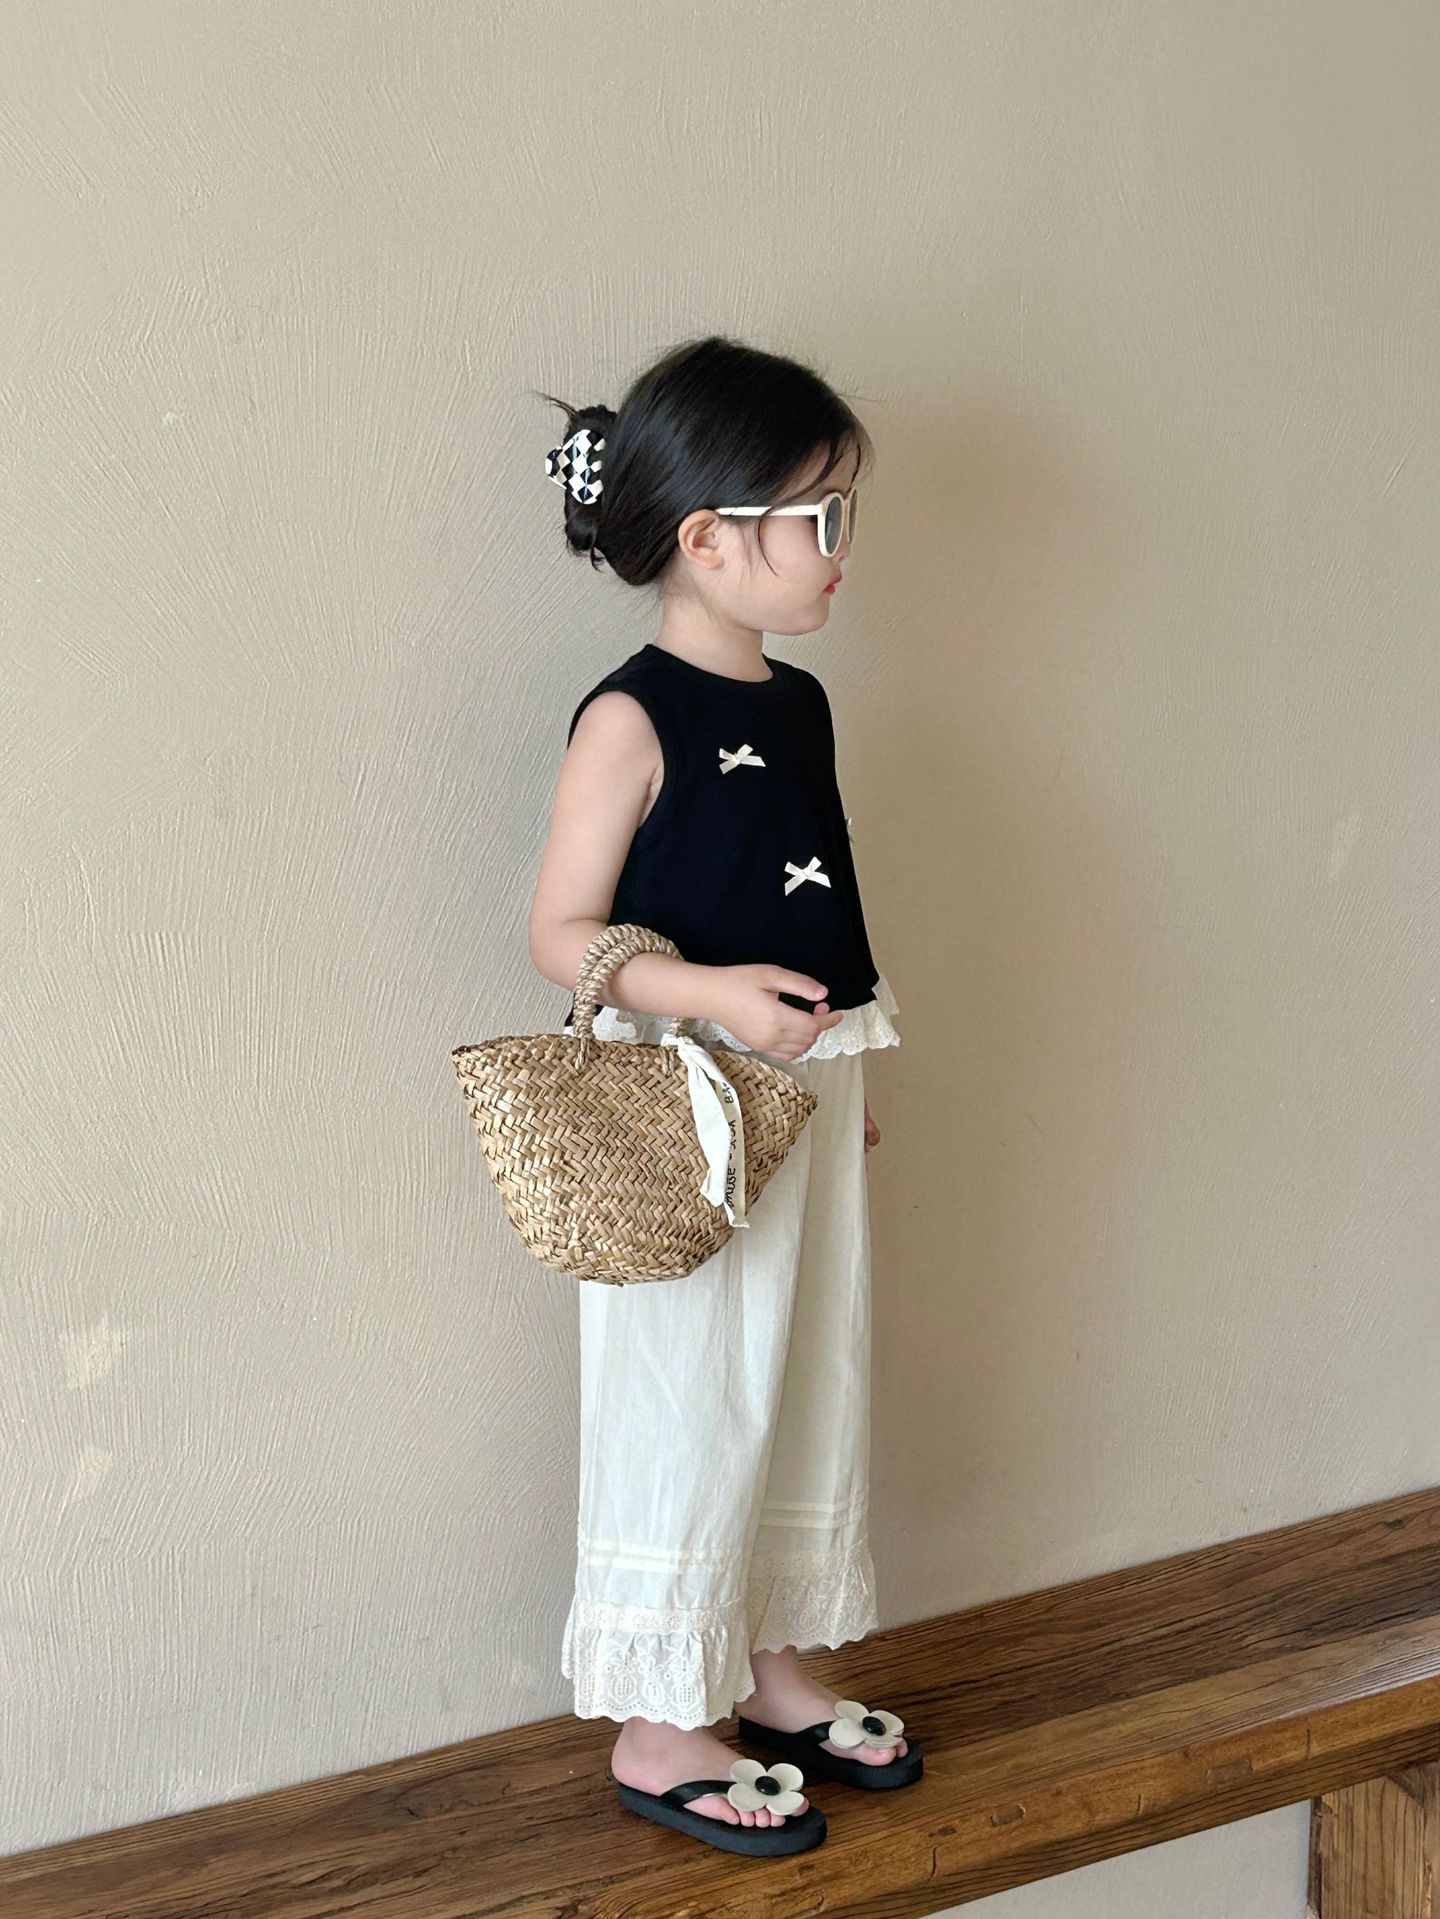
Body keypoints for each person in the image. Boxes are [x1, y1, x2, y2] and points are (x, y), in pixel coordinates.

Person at [526, 335, 920, 1859]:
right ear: (708, 538)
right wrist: (713, 1000)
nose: (840, 547)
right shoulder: (628, 718)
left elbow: (806, 891)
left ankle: (764, 1664)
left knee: (805, 1374)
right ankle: (657, 1718)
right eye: (819, 517)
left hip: (801, 1091)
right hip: (681, 1108)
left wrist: (834, 1079)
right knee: (688, 1392)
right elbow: (561, 934)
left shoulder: (803, 703)